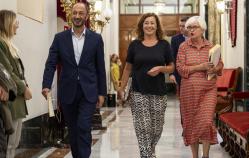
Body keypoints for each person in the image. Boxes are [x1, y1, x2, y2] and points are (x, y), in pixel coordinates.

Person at [42, 2, 106, 158]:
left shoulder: (96, 39)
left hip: (88, 91)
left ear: (86, 16)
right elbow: (51, 63)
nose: (77, 16)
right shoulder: (59, 38)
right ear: (71, 14)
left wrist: (102, 92)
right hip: (68, 91)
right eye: (75, 13)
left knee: (84, 126)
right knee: (73, 129)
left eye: (81, 13)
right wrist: (46, 85)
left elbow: (100, 67)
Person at [118, 13, 174, 158]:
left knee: (157, 128)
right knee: (143, 127)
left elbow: (172, 67)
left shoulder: (164, 45)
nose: (149, 25)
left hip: (159, 92)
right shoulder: (135, 45)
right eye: (146, 23)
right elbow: (128, 68)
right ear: (142, 26)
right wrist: (122, 87)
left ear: (157, 26)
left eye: (152, 23)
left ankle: (150, 150)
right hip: (138, 92)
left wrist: (161, 69)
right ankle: (146, 154)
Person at [176, 16, 223, 158]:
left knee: (206, 121)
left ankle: (206, 155)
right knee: (191, 123)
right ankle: (195, 156)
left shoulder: (211, 46)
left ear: (202, 29)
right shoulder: (183, 47)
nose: (190, 30)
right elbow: (180, 68)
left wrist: (214, 69)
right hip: (189, 91)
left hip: (208, 89)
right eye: (188, 28)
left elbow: (220, 65)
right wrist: (200, 67)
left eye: (194, 27)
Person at [0, 10, 32, 158]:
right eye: (15, 22)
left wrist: (26, 84)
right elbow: (7, 71)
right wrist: (23, 87)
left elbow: (18, 71)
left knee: (14, 144)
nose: (17, 25)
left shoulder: (9, 44)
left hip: (17, 99)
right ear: (7, 23)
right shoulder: (1, 44)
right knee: (8, 144)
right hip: (10, 99)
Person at [169, 16, 188, 91]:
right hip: (180, 73)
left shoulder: (196, 38)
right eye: (180, 26)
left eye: (183, 26)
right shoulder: (175, 39)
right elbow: (172, 57)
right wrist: (171, 74)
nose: (181, 28)